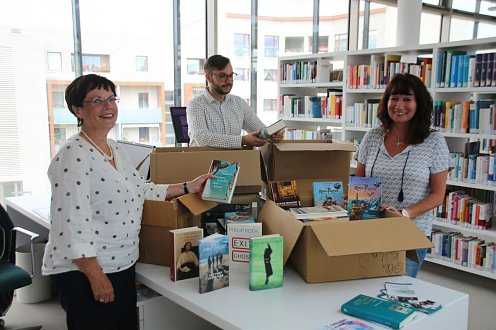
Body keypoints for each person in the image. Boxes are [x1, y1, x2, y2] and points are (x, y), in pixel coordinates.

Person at [41, 74, 212, 330]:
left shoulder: (113, 148)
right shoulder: (72, 156)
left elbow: (140, 189)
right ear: (77, 109)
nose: (108, 106)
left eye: (111, 98)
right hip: (88, 273)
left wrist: (189, 186)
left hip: (122, 264)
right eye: (97, 100)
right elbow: (70, 226)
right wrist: (96, 277)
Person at [354, 73, 451, 278]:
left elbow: (437, 195)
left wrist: (404, 214)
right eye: (394, 98)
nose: (399, 105)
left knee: (397, 292)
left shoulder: (434, 141)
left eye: (407, 99)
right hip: (371, 229)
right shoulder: (372, 137)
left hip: (410, 234)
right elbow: (359, 183)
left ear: (419, 104)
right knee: (364, 287)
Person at [187, 54, 284, 148]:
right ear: (209, 77)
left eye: (231, 75)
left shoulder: (238, 103)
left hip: (232, 162)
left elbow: (259, 129)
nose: (229, 81)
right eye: (222, 76)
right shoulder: (196, 104)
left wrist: (271, 135)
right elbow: (202, 138)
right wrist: (242, 140)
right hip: (203, 162)